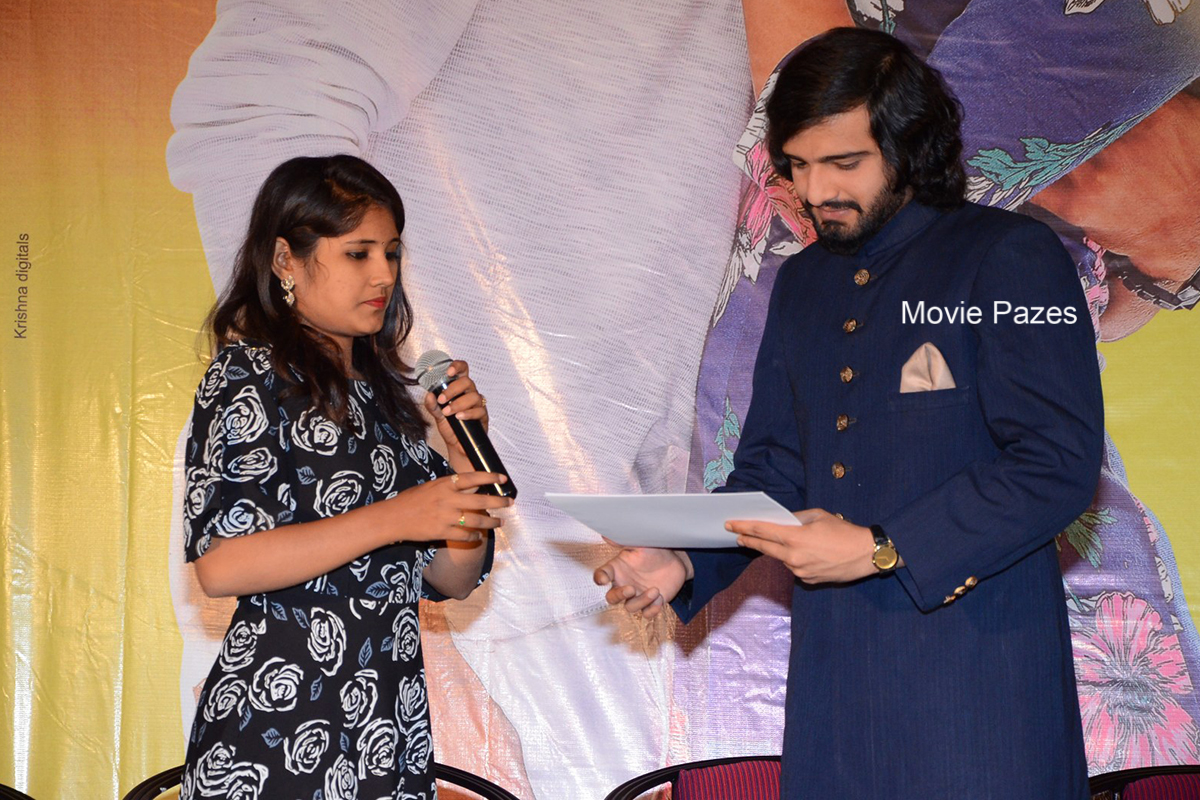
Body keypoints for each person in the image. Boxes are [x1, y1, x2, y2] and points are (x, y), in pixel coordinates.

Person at [596, 27, 1104, 798]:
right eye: (797, 166)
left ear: (911, 147)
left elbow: (1056, 463)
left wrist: (882, 548)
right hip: (835, 699)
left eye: (844, 163)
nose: (817, 192)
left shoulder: (1011, 256)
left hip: (979, 701)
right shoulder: (803, 283)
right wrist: (685, 559)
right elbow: (772, 473)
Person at [179, 154, 512, 799]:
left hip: (385, 732)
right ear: (286, 260)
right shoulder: (248, 377)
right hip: (276, 732)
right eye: (358, 253)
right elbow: (222, 565)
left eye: (391, 253)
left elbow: (451, 577)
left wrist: (462, 462)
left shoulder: (389, 402)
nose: (384, 273)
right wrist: (396, 517)